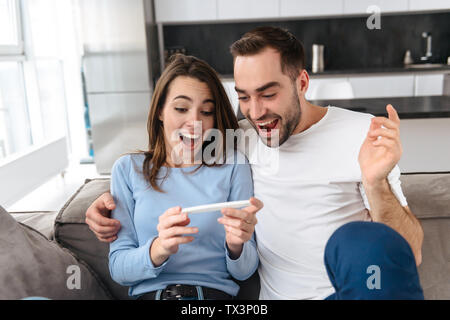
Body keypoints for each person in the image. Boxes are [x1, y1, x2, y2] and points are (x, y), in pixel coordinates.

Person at [86, 27, 424, 300]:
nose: (256, 111)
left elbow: (407, 254)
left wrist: (375, 183)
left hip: (345, 294)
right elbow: (171, 159)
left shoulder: (361, 135)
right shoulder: (241, 140)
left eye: (268, 93)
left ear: (302, 83)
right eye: (244, 96)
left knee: (355, 240)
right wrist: (103, 201)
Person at [105, 54, 262, 300]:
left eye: (207, 111)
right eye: (181, 108)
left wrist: (236, 245)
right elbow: (119, 268)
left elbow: (244, 271)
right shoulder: (127, 169)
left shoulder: (233, 166)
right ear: (159, 111)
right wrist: (160, 248)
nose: (195, 122)